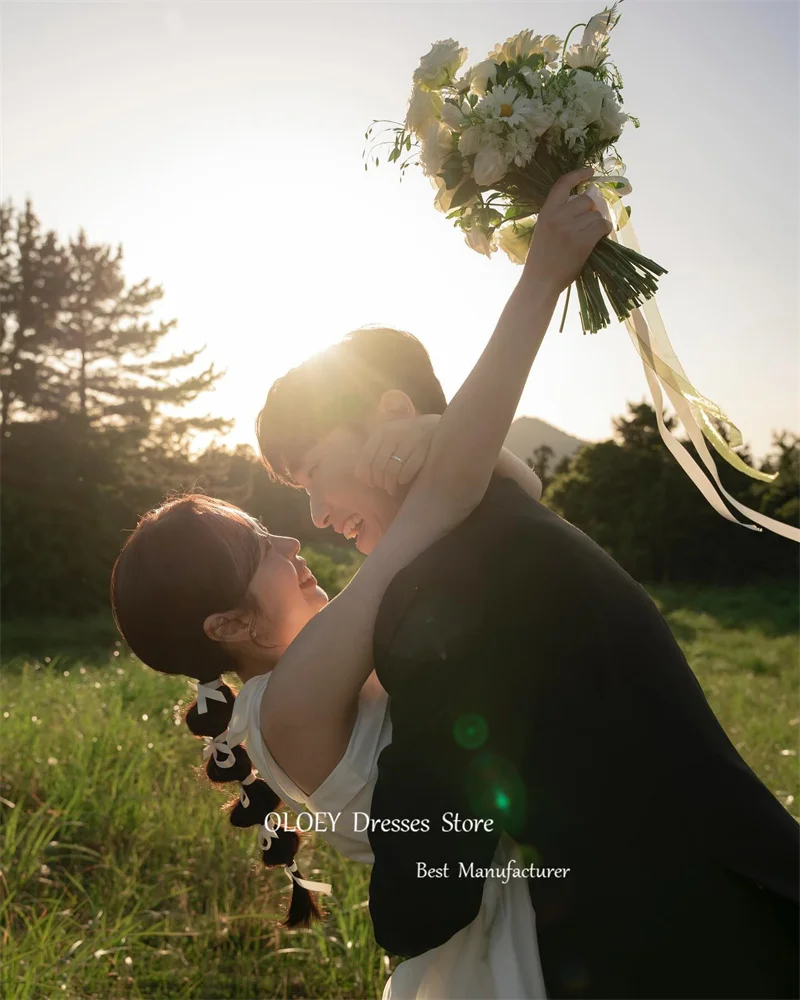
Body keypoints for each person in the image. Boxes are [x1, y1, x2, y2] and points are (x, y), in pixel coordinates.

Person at [255, 236, 800, 995]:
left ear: (390, 413)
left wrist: (394, 907)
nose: (316, 514)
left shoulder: (448, 585)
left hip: (697, 946)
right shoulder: (501, 525)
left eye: (314, 472)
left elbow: (427, 895)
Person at [112, 167, 608, 997]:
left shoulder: (321, 660)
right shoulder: (292, 701)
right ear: (228, 626)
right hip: (490, 943)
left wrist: (446, 432)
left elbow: (512, 489)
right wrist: (539, 279)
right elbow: (447, 501)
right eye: (258, 546)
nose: (290, 537)